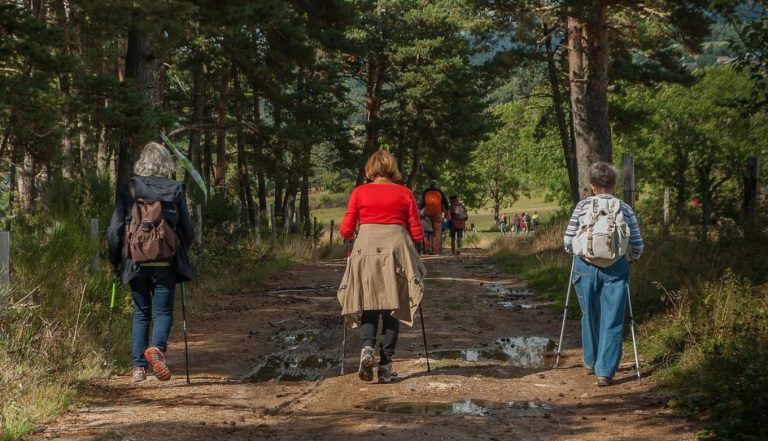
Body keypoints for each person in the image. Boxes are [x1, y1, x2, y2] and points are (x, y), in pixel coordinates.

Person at [107, 142, 195, 383]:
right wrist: (182, 251)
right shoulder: (176, 189)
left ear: (142, 161)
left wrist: (115, 260)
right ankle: (156, 349)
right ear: (166, 163)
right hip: (165, 261)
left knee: (141, 312)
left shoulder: (130, 188)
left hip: (135, 262)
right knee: (163, 311)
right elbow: (188, 231)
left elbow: (114, 230)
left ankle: (138, 368)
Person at [338, 150, 427, 384]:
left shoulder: (359, 192)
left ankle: (367, 349)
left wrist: (351, 236)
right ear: (392, 169)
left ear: (370, 169)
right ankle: (386, 367)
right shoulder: (404, 193)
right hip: (395, 248)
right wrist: (416, 243)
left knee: (368, 301)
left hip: (365, 248)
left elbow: (346, 230)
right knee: (393, 307)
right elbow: (417, 231)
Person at [564, 162, 644, 387]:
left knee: (589, 313)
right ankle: (605, 371)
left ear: (591, 185)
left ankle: (590, 361)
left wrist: (575, 252)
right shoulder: (625, 209)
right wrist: (631, 258)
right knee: (613, 318)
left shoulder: (582, 207)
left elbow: (568, 241)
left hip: (585, 266)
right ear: (615, 185)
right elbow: (637, 244)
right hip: (616, 267)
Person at [419, 180, 449, 254]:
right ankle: (436, 251)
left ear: (430, 185)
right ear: (436, 185)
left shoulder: (426, 192)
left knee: (426, 232)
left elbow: (421, 204)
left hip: (427, 214)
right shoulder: (440, 191)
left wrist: (420, 212)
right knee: (437, 232)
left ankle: (427, 249)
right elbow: (446, 203)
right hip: (437, 214)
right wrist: (447, 212)